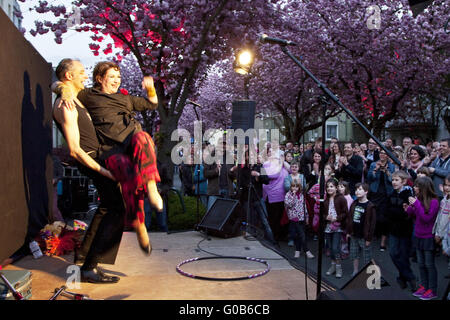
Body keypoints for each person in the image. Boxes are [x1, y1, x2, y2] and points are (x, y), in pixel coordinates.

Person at [54, 60, 163, 254]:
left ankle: (152, 187)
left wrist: (151, 89)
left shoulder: (126, 99)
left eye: (119, 76)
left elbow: (152, 105)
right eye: (111, 76)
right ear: (100, 78)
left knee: (144, 136)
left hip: (132, 143)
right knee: (128, 181)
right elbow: (59, 83)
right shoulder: (88, 95)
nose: (116, 80)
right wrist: (62, 89)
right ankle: (139, 225)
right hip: (111, 151)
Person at [52, 59, 125, 283]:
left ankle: (86, 259)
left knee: (107, 208)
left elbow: (53, 84)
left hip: (99, 157)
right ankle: (89, 266)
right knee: (116, 209)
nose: (86, 75)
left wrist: (60, 87)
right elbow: (74, 150)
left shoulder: (74, 97)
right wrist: (105, 172)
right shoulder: (66, 105)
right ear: (68, 76)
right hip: (92, 160)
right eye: (81, 72)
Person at [406, 176, 440, 300]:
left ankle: (432, 289)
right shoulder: (419, 200)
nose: (414, 188)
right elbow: (412, 214)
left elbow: (427, 218)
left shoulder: (434, 201)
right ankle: (424, 286)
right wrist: (410, 207)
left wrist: (416, 204)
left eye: (416, 186)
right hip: (418, 235)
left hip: (428, 237)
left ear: (423, 188)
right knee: (420, 264)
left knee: (429, 264)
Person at [386, 170, 416, 291]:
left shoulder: (408, 194)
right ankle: (409, 276)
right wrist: (396, 212)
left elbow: (406, 214)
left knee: (403, 255)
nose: (394, 182)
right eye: (393, 180)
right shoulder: (392, 193)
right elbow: (388, 210)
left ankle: (403, 278)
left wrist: (397, 212)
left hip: (405, 230)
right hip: (393, 229)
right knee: (393, 253)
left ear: (403, 181)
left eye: (396, 180)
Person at [367, 149, 395, 251]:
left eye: (384, 153)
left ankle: (383, 242)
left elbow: (392, 180)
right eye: (381, 153)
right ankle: (373, 235)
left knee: (384, 218)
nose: (382, 155)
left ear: (388, 155)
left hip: (387, 194)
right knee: (373, 215)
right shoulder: (374, 164)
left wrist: (387, 171)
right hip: (375, 193)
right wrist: (375, 170)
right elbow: (369, 178)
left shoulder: (391, 166)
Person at [346, 183, 377, 276]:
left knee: (367, 256)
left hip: (364, 235)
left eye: (360, 189)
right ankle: (355, 270)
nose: (357, 191)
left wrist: (369, 238)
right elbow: (350, 218)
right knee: (354, 254)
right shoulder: (354, 203)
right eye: (356, 189)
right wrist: (348, 231)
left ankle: (372, 272)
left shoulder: (370, 206)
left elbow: (372, 224)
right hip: (354, 233)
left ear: (366, 192)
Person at [324, 179, 348, 278]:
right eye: (328, 186)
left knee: (335, 248)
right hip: (328, 227)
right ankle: (333, 266)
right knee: (330, 248)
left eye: (331, 186)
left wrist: (337, 218)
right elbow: (323, 214)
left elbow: (345, 213)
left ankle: (338, 268)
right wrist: (326, 217)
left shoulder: (341, 198)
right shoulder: (325, 200)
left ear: (336, 187)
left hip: (337, 227)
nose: (329, 188)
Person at [284, 180, 314, 259]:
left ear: (299, 187)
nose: (295, 188)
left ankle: (297, 251)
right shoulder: (288, 195)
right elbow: (289, 205)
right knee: (301, 235)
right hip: (294, 217)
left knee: (299, 235)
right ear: (291, 187)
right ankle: (307, 251)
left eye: (296, 186)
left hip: (302, 217)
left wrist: (307, 217)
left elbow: (304, 207)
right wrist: (293, 195)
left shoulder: (301, 195)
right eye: (293, 186)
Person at [432, 174, 450, 279]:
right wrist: (437, 233)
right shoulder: (444, 200)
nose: (447, 188)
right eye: (445, 185)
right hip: (442, 235)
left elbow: (446, 223)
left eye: (449, 185)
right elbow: (440, 219)